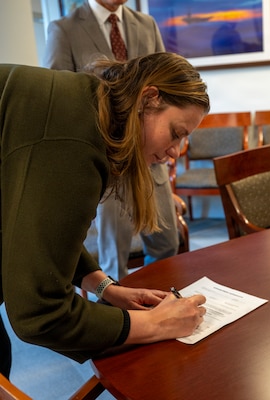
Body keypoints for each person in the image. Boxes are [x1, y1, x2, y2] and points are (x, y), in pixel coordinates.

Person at [0, 52, 209, 378]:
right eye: (176, 133)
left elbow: (43, 231)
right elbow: (39, 314)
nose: (175, 152)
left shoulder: (86, 105)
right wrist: (154, 324)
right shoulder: (74, 138)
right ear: (149, 98)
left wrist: (104, 288)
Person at [43, 0, 179, 280]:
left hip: (150, 160)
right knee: (113, 260)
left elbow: (168, 84)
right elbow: (58, 99)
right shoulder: (64, 29)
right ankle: (112, 318)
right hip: (107, 160)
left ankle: (156, 302)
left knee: (167, 244)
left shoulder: (146, 24)